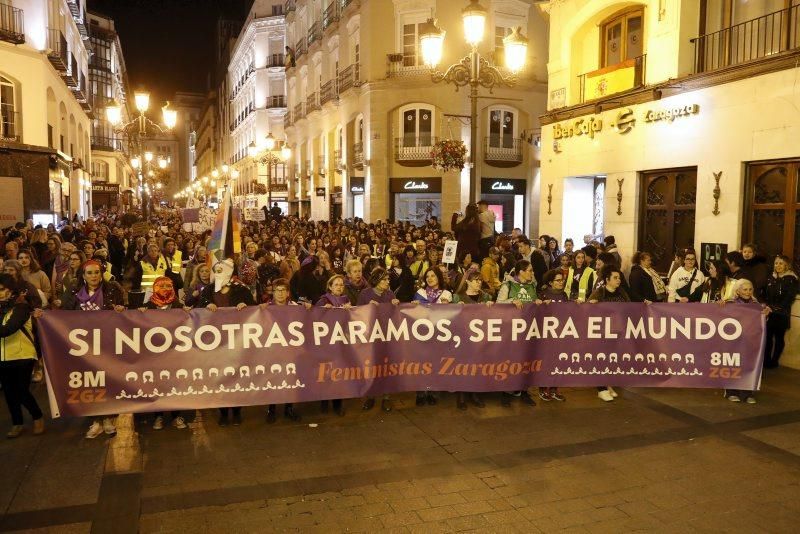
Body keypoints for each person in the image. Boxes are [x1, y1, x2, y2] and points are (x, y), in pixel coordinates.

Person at [61, 259, 126, 438]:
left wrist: (121, 310)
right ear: (83, 275)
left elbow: (124, 311)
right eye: (89, 273)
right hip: (84, 347)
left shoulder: (112, 289)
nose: (93, 276)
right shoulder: (73, 292)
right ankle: (96, 420)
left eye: (96, 272)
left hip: (107, 343)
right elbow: (63, 316)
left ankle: (108, 418)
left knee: (107, 380)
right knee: (90, 383)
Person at [197, 258, 256, 426]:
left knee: (236, 376)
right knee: (220, 377)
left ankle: (237, 411)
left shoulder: (241, 290)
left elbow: (254, 308)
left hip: (237, 341)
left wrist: (246, 305)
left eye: (226, 270)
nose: (222, 273)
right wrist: (206, 305)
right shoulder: (208, 291)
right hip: (216, 343)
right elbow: (198, 309)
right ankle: (223, 412)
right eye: (218, 270)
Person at [139, 276, 189, 431]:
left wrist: (187, 312)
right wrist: (139, 313)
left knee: (173, 384)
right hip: (155, 354)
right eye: (162, 286)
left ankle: (176, 415)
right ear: (155, 288)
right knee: (156, 384)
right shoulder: (148, 306)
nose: (166, 289)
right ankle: (158, 416)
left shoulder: (178, 304)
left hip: (173, 353)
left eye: (169, 286)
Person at [0, 274, 45, 438]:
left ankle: (37, 416)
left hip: (23, 355)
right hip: (3, 357)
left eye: (2, 289)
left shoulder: (22, 308)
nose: (0, 293)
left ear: (12, 291)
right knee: (9, 392)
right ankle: (17, 423)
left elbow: (8, 329)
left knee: (21, 390)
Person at [496, 260, 540, 408]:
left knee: (526, 361)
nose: (532, 273)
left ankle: (523, 390)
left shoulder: (533, 285)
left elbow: (533, 303)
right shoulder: (508, 285)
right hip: (511, 330)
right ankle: (506, 393)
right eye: (530, 270)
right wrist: (511, 301)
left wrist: (539, 302)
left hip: (528, 330)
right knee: (510, 361)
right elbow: (498, 303)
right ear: (521, 272)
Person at [263, 278, 306, 423]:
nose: (280, 294)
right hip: (273, 350)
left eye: (283, 291)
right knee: (274, 378)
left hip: (291, 351)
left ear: (288, 293)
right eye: (277, 291)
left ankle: (289, 408)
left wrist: (309, 307)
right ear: (273, 293)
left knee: (290, 378)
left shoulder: (296, 307)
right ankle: (272, 409)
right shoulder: (265, 308)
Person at [357, 269, 398, 413]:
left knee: (386, 366)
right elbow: (357, 314)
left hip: (386, 337)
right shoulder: (365, 294)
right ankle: (371, 396)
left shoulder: (390, 294)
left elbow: (396, 317)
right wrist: (367, 308)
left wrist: (396, 306)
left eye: (388, 280)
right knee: (372, 367)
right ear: (376, 280)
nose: (388, 282)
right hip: (371, 337)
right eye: (384, 279)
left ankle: (386, 397)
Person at [588, 265, 630, 402]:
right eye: (615, 278)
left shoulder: (622, 292)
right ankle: (601, 388)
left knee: (613, 360)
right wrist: (591, 305)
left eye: (619, 278)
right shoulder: (599, 293)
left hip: (617, 333)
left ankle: (608, 384)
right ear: (607, 279)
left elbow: (631, 308)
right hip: (602, 334)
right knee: (601, 360)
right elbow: (587, 310)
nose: (618, 280)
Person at [452, 269, 492, 410]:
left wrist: (491, 307)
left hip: (481, 338)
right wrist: (455, 309)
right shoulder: (457, 297)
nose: (479, 283)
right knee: (463, 367)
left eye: (480, 280)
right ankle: (461, 395)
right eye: (476, 280)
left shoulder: (486, 297)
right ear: (468, 281)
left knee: (478, 367)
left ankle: (475, 393)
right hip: (463, 338)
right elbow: (450, 318)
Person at [724, 279, 769, 403]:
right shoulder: (729, 303)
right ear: (737, 291)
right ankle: (731, 391)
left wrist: (765, 314)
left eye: (750, 289)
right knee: (733, 365)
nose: (748, 292)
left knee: (749, 366)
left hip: (750, 341)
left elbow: (761, 323)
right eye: (745, 289)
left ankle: (747, 393)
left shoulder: (756, 304)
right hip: (733, 342)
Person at [413, 267, 451, 406]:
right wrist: (414, 306)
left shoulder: (446, 294)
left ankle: (433, 392)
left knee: (436, 364)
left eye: (433, 276)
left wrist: (448, 306)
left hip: (439, 335)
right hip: (422, 333)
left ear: (439, 277)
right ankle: (421, 393)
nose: (429, 278)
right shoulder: (420, 293)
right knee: (421, 364)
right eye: (427, 276)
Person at [315, 274, 349, 416]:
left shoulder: (346, 300)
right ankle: (324, 401)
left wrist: (351, 310)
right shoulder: (324, 300)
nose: (339, 287)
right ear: (330, 286)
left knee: (338, 373)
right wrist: (323, 310)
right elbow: (313, 316)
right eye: (336, 284)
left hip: (341, 342)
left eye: (341, 285)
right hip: (326, 343)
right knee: (326, 372)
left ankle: (337, 403)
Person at [762, 255, 798, 369]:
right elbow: (765, 294)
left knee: (779, 338)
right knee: (767, 337)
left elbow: (789, 298)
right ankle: (766, 360)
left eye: (781, 263)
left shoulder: (791, 279)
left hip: (781, 313)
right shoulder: (770, 277)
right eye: (776, 263)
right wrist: (765, 305)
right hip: (769, 312)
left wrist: (775, 308)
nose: (778, 265)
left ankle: (774, 361)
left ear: (786, 265)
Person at [537, 270, 567, 402]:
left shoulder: (564, 295)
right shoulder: (543, 294)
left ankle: (554, 389)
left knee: (557, 362)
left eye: (562, 280)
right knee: (546, 362)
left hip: (560, 334)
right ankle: (543, 388)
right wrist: (541, 304)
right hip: (546, 335)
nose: (561, 282)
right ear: (550, 282)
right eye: (558, 280)